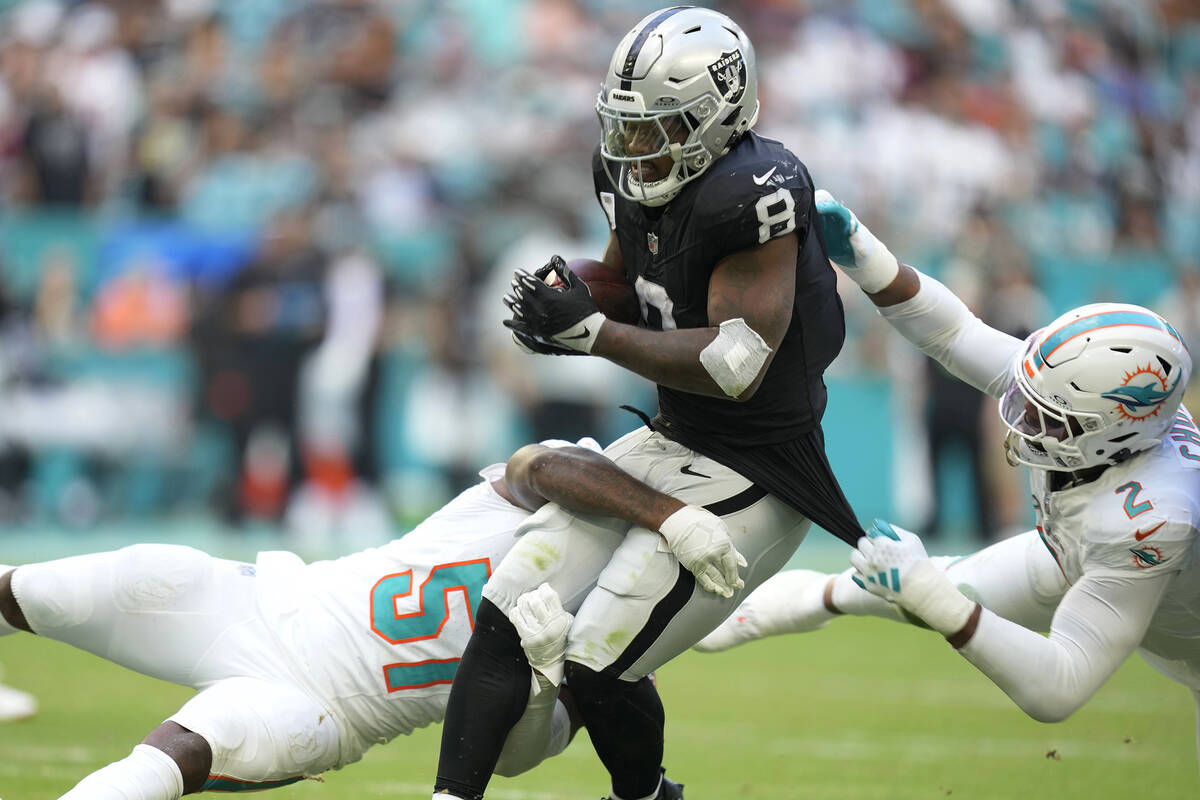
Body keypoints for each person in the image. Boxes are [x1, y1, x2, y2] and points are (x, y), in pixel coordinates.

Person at [434, 8, 862, 800]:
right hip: (675, 436)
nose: (634, 149)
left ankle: (647, 797)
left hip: (761, 465)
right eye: (626, 128)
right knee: (506, 607)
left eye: (658, 128)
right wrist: (570, 297)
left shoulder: (757, 190)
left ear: (720, 113)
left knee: (598, 656)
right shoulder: (626, 176)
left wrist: (592, 333)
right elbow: (631, 286)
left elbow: (736, 362)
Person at [698, 192, 1200, 768]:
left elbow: (1059, 686)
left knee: (934, 593)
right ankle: (744, 617)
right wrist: (863, 250)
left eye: (1049, 417)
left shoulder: (1151, 517)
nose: (1023, 417)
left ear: (1110, 433)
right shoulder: (1102, 408)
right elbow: (954, 334)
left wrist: (932, 597)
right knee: (915, 589)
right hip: (1078, 559)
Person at [0, 438, 743, 799]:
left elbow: (523, 753)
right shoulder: (567, 480)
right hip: (267, 601)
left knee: (173, 755)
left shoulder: (614, 618)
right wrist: (669, 515)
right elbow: (541, 468)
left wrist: (547, 675)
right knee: (44, 591)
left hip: (323, 710)